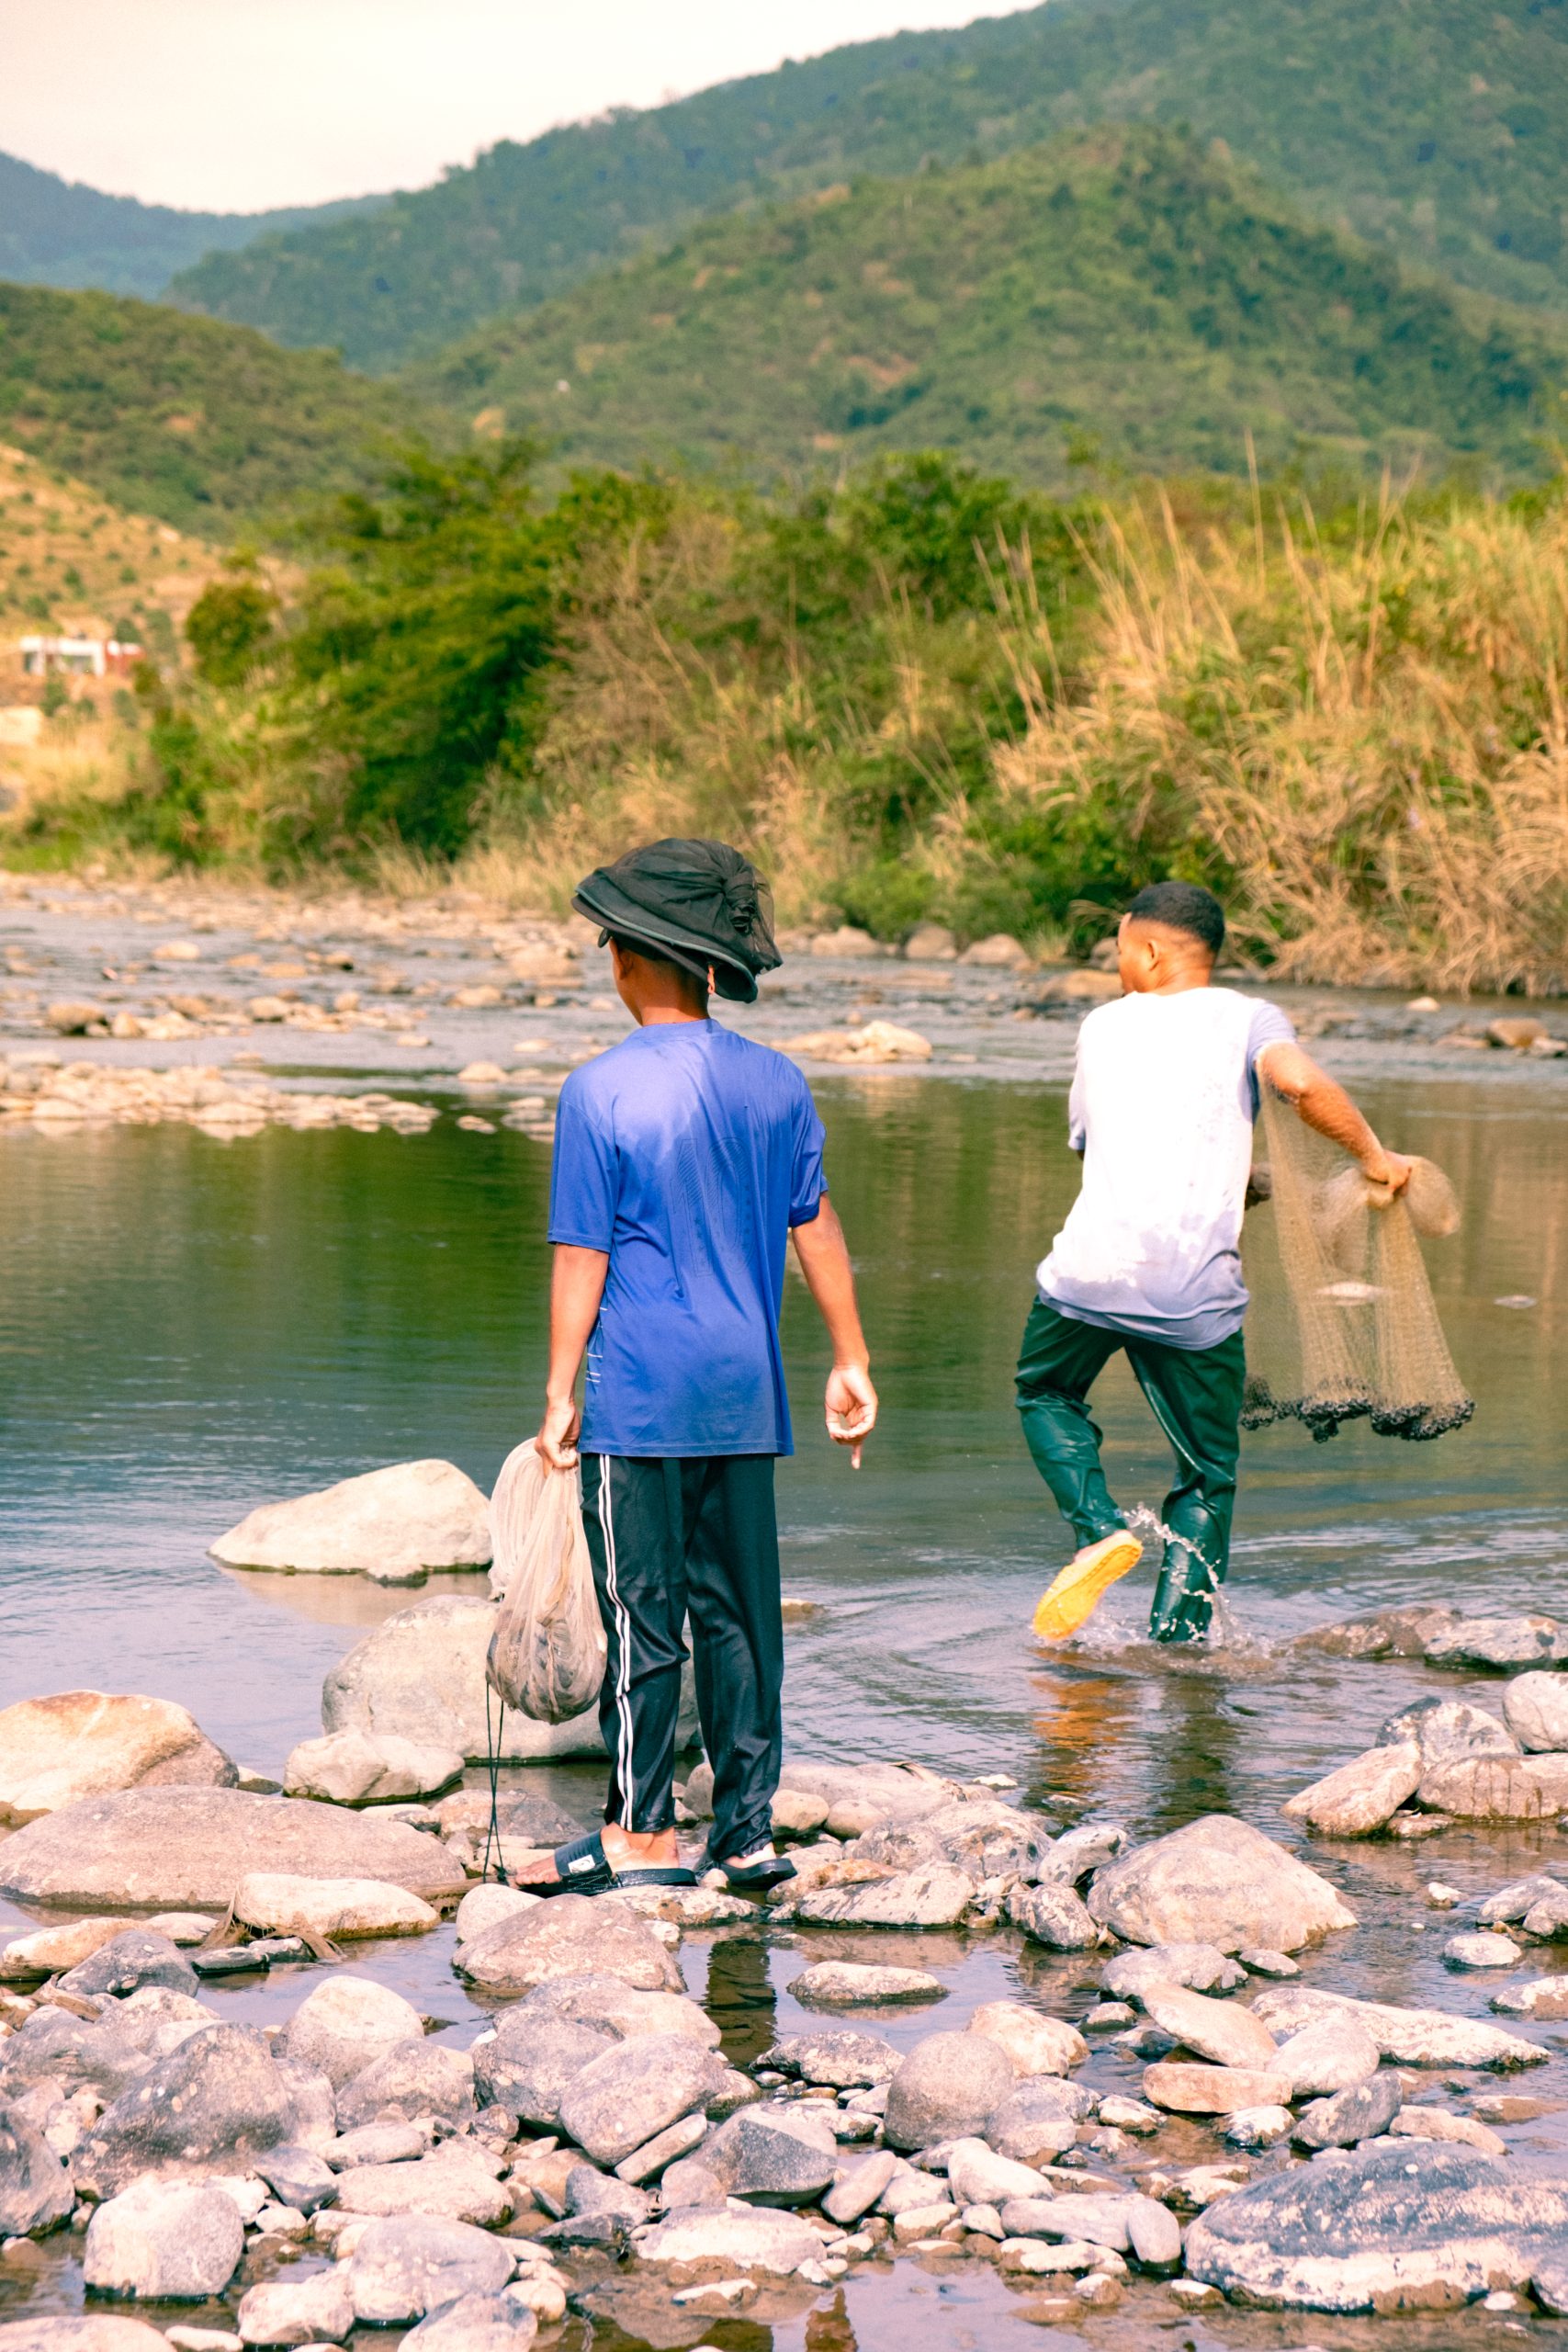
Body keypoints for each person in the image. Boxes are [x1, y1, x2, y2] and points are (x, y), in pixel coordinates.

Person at [519, 837, 877, 1896]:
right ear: (710, 968)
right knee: (741, 1618)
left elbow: (582, 1255)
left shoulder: (598, 1090)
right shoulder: (777, 1081)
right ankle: (747, 1833)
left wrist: (559, 1389)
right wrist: (851, 1357)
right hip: (745, 1395)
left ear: (630, 959)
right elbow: (815, 1225)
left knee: (644, 1615)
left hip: (638, 1397)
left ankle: (640, 1833)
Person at [1020, 879, 1411, 1645]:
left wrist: (1244, 1183)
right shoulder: (1248, 1018)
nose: (1115, 965)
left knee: (1044, 1393)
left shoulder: (1101, 1025)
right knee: (1204, 1475)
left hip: (1084, 1279)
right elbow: (1297, 1082)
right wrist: (1374, 1155)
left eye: (1118, 949)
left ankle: (1097, 1529)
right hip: (1190, 1296)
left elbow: (1102, 1150)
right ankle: (1177, 1646)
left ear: (1150, 951)